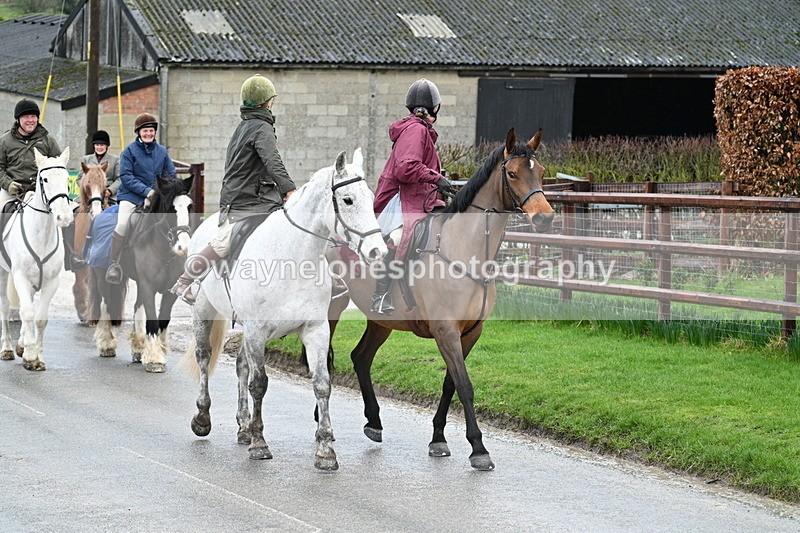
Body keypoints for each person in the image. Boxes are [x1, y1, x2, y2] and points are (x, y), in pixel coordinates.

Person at [170, 74, 296, 304]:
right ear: (265, 102)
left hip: (257, 195)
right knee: (223, 242)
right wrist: (289, 189)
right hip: (245, 198)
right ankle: (184, 281)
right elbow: (273, 161)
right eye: (271, 100)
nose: (272, 104)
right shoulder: (260, 128)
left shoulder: (246, 126)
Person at [370, 78, 453, 315]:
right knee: (397, 238)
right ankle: (381, 294)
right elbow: (405, 168)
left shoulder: (419, 130)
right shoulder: (416, 130)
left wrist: (438, 181)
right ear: (434, 107)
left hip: (417, 198)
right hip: (399, 201)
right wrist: (435, 178)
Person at [0, 98, 87, 270]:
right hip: (12, 190)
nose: (30, 120)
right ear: (18, 119)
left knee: (72, 212)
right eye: (26, 117)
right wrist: (8, 184)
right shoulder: (5, 141)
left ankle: (71, 256)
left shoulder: (47, 140)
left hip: (43, 191)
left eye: (33, 116)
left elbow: (59, 165)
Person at [105, 113, 177, 284]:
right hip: (131, 196)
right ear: (138, 132)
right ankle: (114, 264)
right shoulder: (129, 151)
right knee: (122, 223)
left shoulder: (162, 151)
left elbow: (171, 174)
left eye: (151, 131)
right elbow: (126, 177)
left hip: (156, 196)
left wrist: (159, 192)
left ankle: (176, 259)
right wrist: (147, 192)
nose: (148, 134)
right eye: (145, 131)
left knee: (174, 219)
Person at [77, 130, 121, 202]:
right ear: (94, 145)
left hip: (108, 196)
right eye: (97, 145)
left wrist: (110, 190)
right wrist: (87, 189)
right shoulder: (85, 159)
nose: (99, 147)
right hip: (89, 195)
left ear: (106, 146)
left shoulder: (115, 160)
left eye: (102, 145)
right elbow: (79, 178)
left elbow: (120, 179)